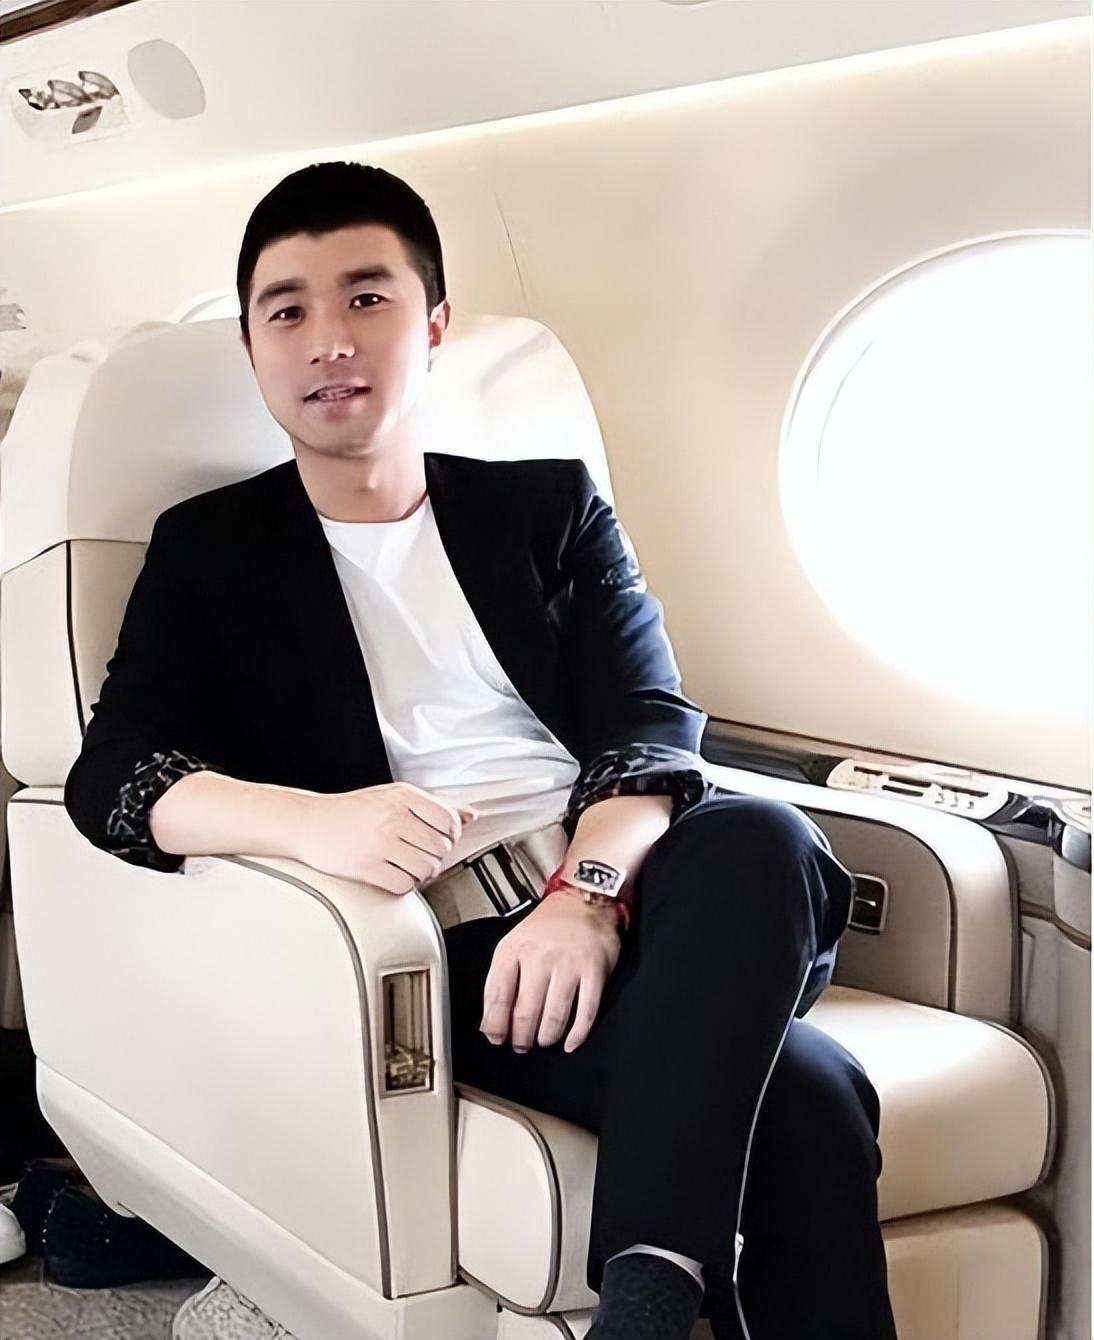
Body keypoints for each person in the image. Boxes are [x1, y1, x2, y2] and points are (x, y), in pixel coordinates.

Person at [64, 161, 898, 1340]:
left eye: (366, 297)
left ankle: (643, 1312)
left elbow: (647, 723)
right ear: (252, 347)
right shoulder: (211, 548)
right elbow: (109, 776)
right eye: (286, 311)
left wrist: (586, 897)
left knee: (762, 830)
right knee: (809, 1095)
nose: (327, 339)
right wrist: (314, 819)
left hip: (641, 889)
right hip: (453, 946)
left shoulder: (546, 508)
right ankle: (651, 1297)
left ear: (433, 323)